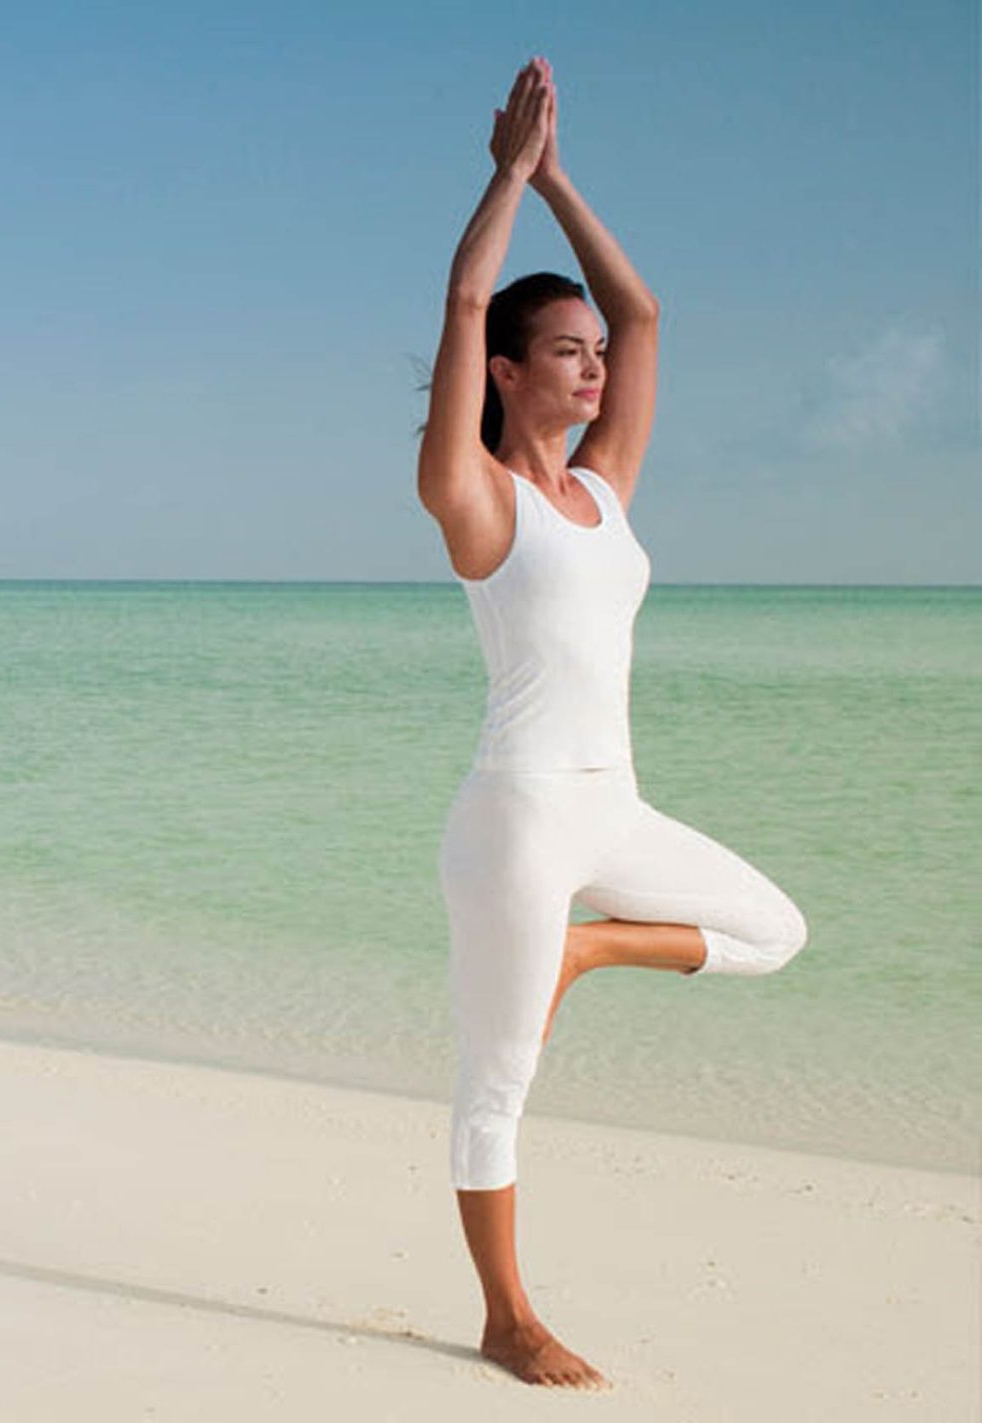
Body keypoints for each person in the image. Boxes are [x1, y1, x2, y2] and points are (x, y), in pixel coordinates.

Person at [416, 57, 810, 1390]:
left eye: (596, 360)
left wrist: (565, 178)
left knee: (777, 931)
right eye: (566, 356)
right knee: (496, 1088)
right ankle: (505, 1317)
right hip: (518, 815)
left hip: (615, 804)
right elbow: (469, 297)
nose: (594, 371)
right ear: (511, 372)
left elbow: (644, 312)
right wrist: (505, 181)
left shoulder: (607, 492)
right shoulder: (478, 499)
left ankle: (591, 953)